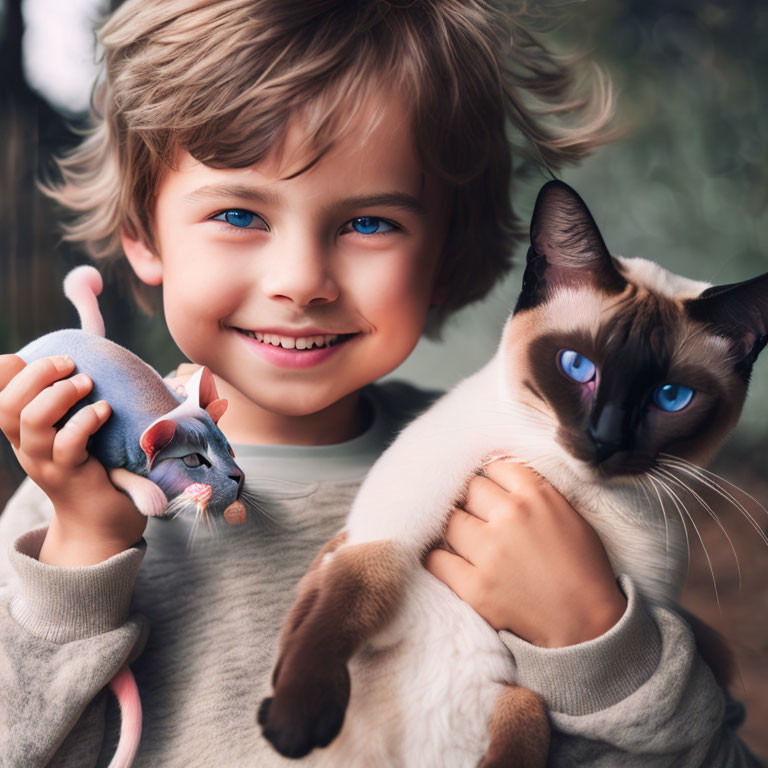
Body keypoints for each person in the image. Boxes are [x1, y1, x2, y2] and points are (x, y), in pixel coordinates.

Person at [0, 0, 760, 765]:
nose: (301, 282)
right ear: (142, 233)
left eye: (368, 223)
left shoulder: (535, 489)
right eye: (238, 213)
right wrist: (83, 552)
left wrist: (594, 644)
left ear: (447, 252)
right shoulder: (78, 495)